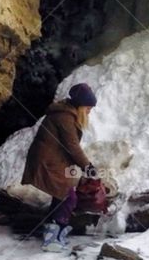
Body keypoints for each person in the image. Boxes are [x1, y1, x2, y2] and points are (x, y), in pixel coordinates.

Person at [22, 83, 97, 251]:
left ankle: (54, 230)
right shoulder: (65, 117)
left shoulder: (66, 114)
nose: (90, 111)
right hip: (47, 162)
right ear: (79, 105)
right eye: (88, 107)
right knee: (69, 197)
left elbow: (68, 148)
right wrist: (88, 167)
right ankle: (52, 236)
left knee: (61, 194)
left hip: (54, 160)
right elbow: (73, 147)